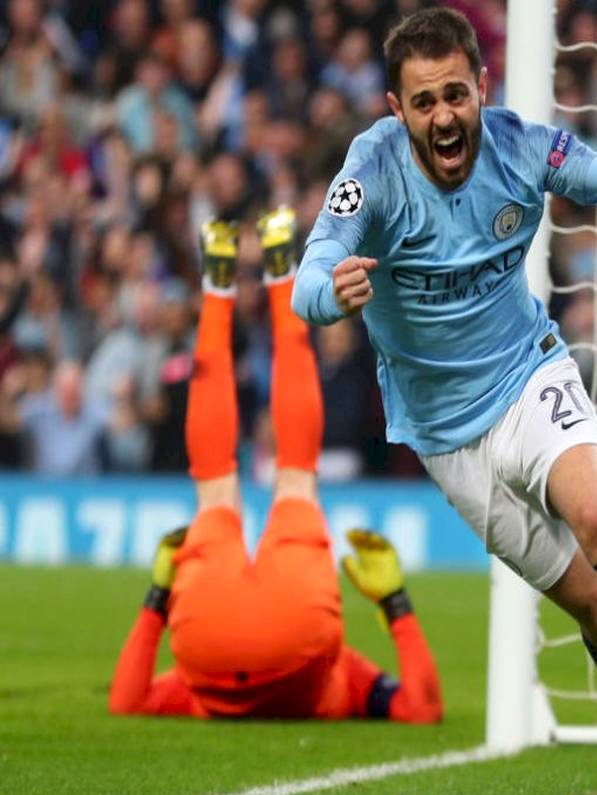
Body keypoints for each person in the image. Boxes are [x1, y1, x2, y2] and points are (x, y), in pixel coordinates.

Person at [291, 8, 597, 795]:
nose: (444, 117)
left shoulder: (522, 145)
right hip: (447, 438)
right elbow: (311, 271)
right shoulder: (371, 170)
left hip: (528, 376)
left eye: (455, 94)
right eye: (423, 102)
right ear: (397, 109)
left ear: (482, 86)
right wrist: (329, 296)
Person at [109, 208, 442, 724]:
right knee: (224, 486)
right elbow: (424, 710)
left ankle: (246, 282)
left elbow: (122, 703)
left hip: (222, 636)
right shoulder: (335, 678)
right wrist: (395, 606)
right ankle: (247, 284)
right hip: (238, 636)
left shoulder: (204, 683)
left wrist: (394, 602)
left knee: (283, 478)